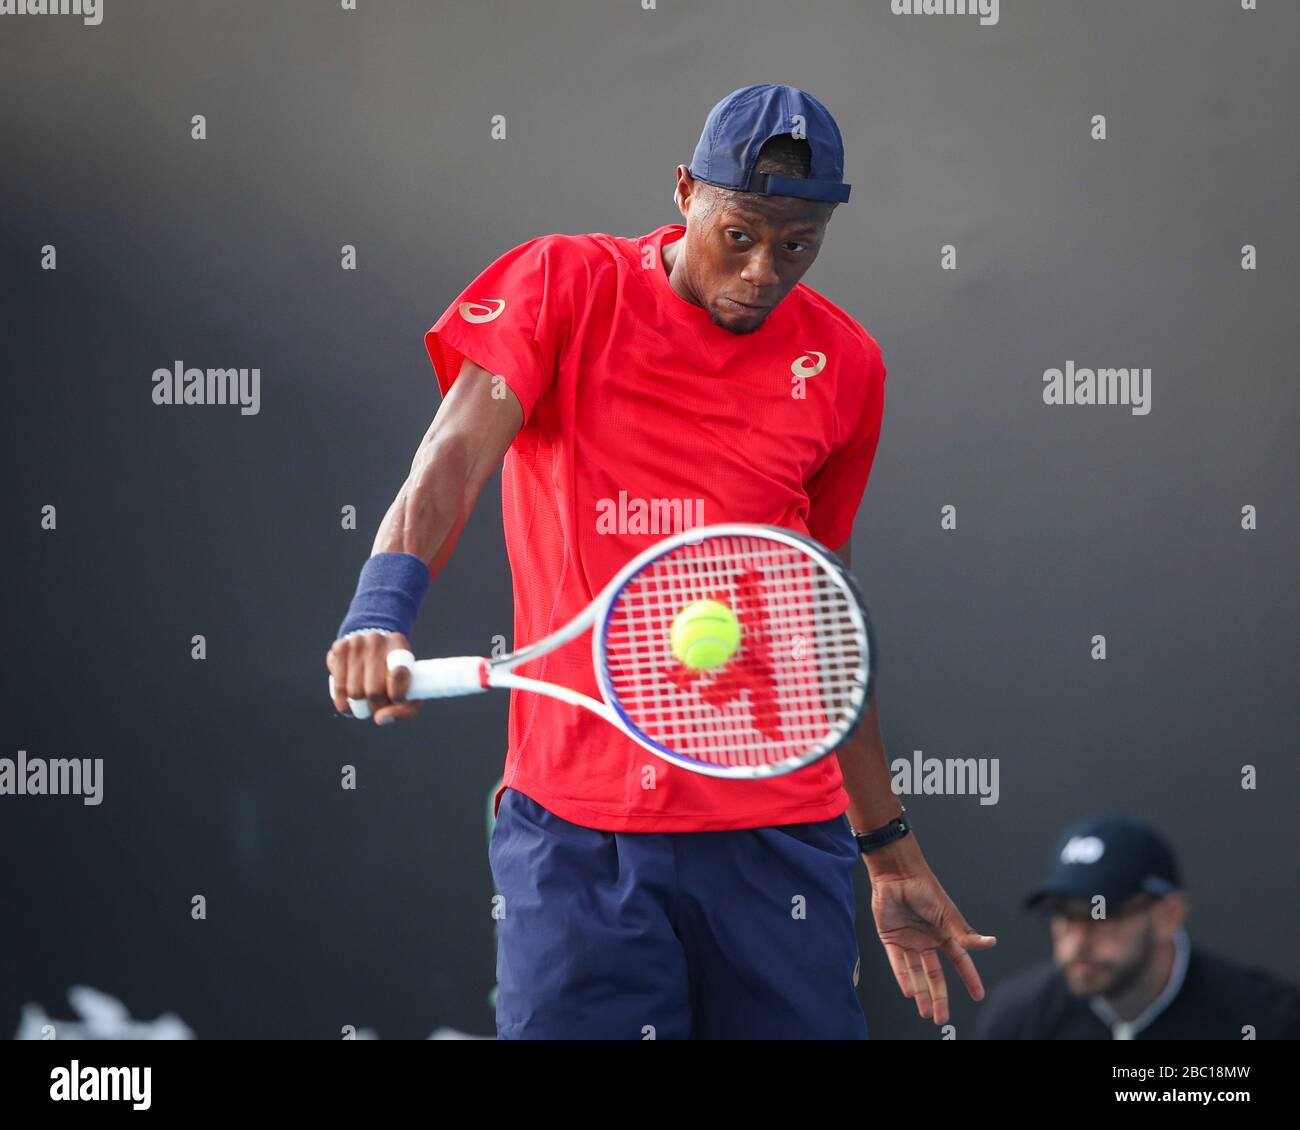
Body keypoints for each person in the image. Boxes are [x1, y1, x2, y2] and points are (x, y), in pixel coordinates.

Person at [326, 83, 995, 1039]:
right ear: (687, 192)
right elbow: (453, 456)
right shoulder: (562, 283)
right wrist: (379, 610)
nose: (766, 270)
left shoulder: (846, 366)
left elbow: (823, 614)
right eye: (741, 234)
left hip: (778, 839)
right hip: (578, 840)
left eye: (798, 245)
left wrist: (886, 849)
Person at [974, 813, 1300, 1040]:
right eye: (1063, 914)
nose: (1076, 943)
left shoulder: (1268, 1020)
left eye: (1102, 914)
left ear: (1168, 915)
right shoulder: (1017, 1019)